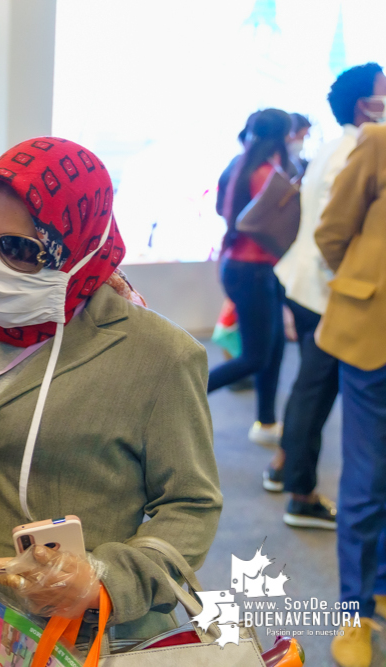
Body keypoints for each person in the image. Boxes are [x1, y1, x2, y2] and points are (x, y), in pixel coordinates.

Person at [0, 138, 222, 665]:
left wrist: (103, 581)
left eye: (21, 250)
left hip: (88, 640)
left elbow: (191, 505)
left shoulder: (159, 357)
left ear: (78, 250)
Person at [267, 63, 386, 530]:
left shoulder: (335, 147)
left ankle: (284, 470)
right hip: (325, 292)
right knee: (315, 394)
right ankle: (300, 491)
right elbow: (332, 236)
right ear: (365, 104)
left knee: (308, 390)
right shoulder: (359, 149)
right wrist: (356, 282)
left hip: (308, 284)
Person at [317, 121, 386, 667]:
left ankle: (380, 586)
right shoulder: (379, 141)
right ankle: (352, 613)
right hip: (373, 338)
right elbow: (332, 233)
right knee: (364, 481)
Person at [207, 109, 292, 446]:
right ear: (283, 136)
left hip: (239, 266)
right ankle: (180, 395)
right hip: (255, 271)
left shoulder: (238, 165)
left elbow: (221, 210)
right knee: (256, 355)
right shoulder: (270, 175)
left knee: (275, 347)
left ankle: (267, 422)